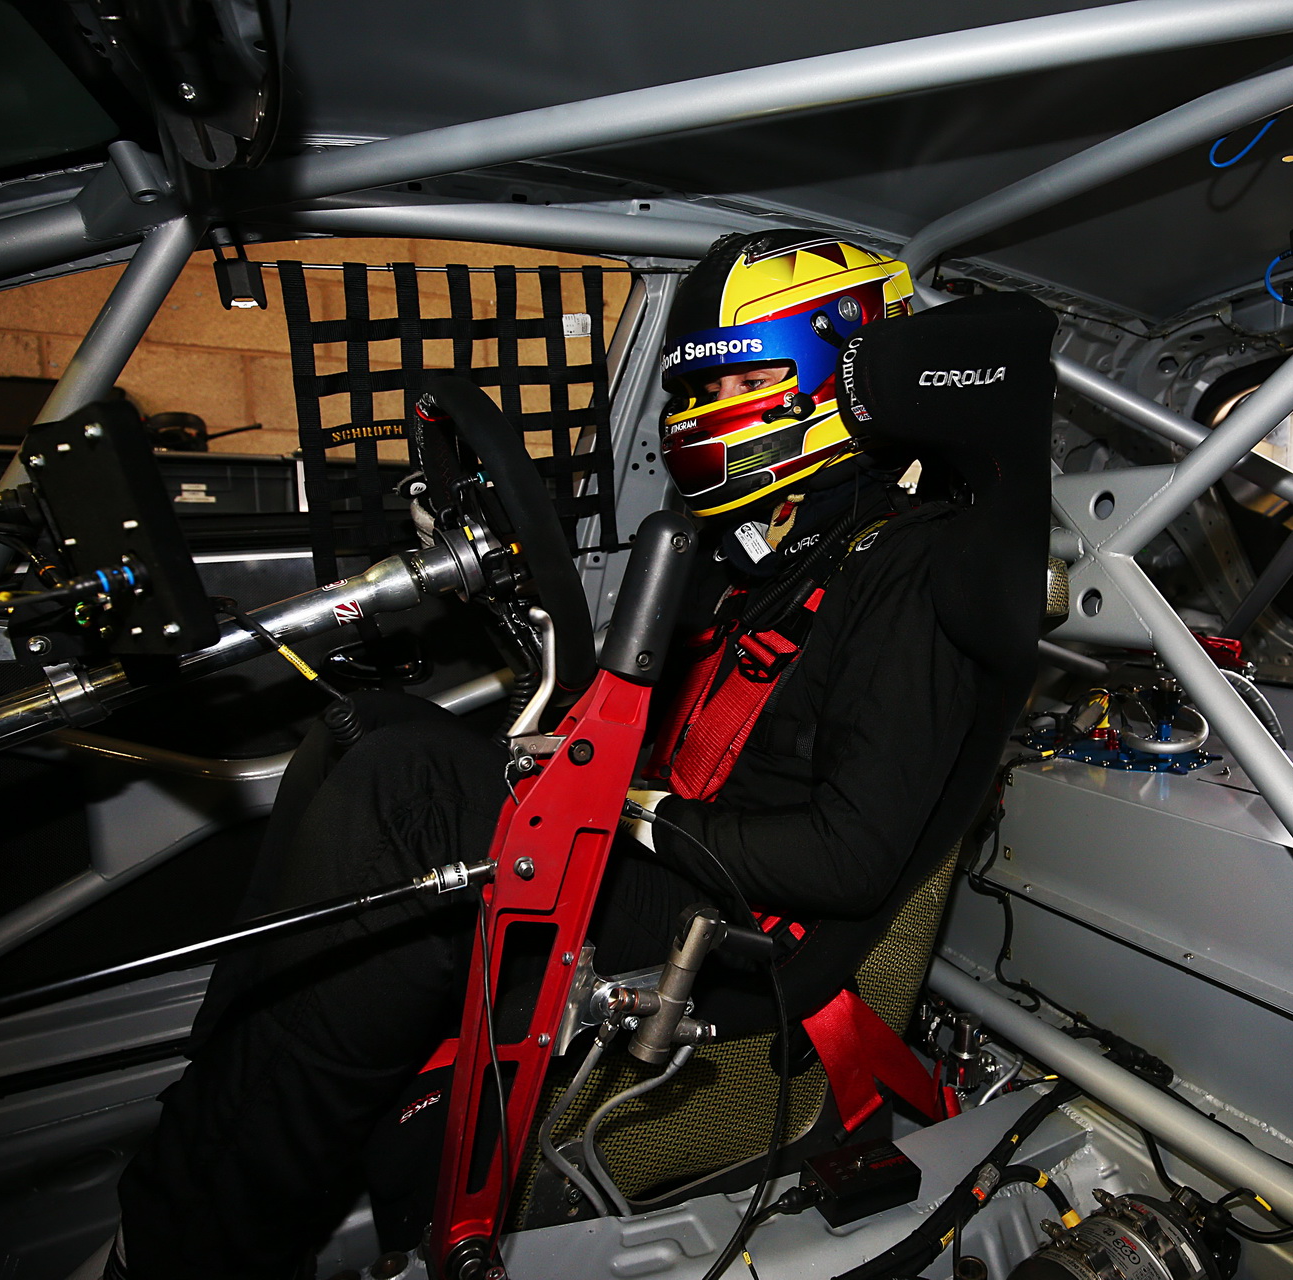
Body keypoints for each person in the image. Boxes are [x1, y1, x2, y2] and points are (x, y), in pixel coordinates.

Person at [99, 230, 1006, 1279]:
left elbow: (847, 855)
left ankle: (201, 1244)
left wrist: (631, 805)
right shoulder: (766, 547)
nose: (711, 417)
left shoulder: (917, 569)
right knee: (372, 728)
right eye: (698, 391)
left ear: (850, 366)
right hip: (677, 861)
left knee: (409, 792)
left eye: (751, 378)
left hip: (741, 930)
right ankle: (223, 1102)